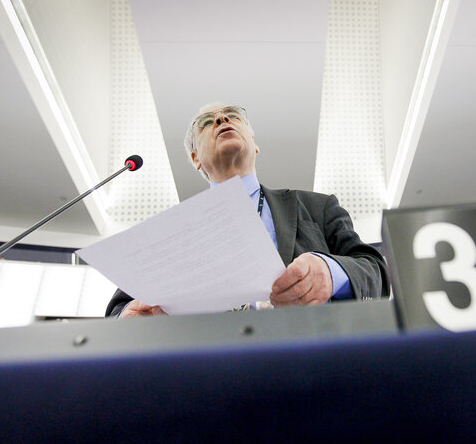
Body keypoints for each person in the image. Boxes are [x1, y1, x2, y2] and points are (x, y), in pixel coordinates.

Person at [106, 103, 387, 317]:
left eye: (233, 115)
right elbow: (120, 308)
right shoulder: (170, 231)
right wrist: (131, 318)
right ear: (195, 159)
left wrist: (331, 272)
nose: (221, 119)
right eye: (206, 123)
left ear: (255, 145)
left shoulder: (318, 207)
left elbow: (377, 273)